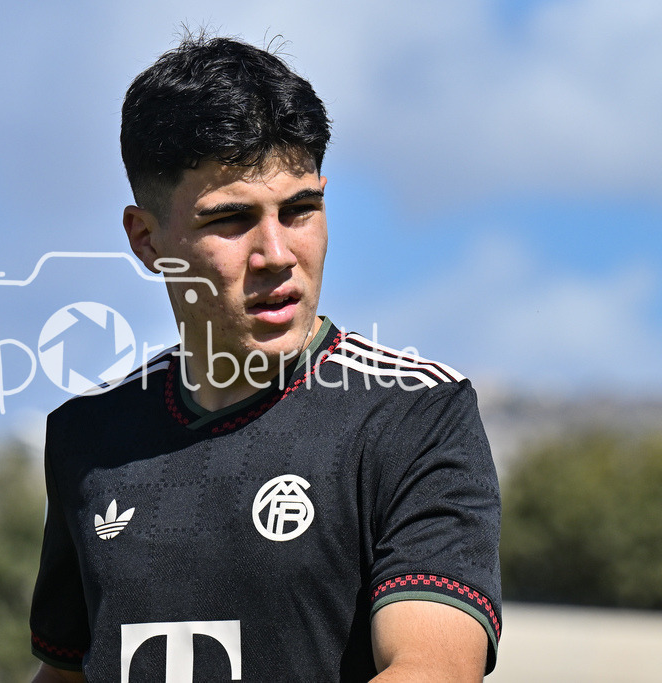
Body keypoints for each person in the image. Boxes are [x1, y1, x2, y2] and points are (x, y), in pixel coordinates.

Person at [29, 34, 501, 682]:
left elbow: (432, 668)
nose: (276, 252)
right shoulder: (88, 438)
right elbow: (67, 673)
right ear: (146, 239)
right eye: (232, 220)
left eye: (301, 209)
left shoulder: (414, 416)